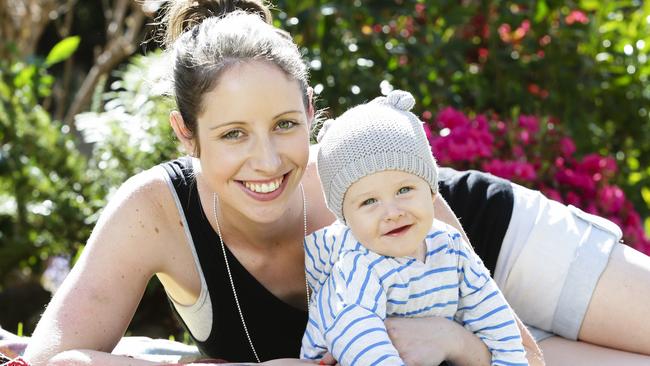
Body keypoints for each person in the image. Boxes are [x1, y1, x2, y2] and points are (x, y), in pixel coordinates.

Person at [21, 0, 650, 365]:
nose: (267, 161)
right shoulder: (156, 212)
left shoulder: (352, 171)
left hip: (502, 254)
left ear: (313, 115)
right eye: (233, 134)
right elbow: (56, 361)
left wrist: (457, 342)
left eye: (286, 124)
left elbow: (514, 350)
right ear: (185, 133)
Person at [300, 90, 528, 365]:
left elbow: (495, 319)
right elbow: (363, 345)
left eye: (404, 189)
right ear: (345, 220)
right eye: (369, 201)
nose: (393, 213)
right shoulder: (356, 267)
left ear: (431, 191)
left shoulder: (450, 246)